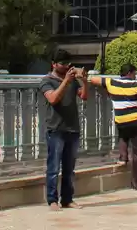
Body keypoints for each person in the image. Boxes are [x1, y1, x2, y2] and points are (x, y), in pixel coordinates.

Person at [89, 63, 137, 190]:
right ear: (129, 73)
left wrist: (107, 89)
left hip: (122, 121)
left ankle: (123, 157)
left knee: (123, 134)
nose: (135, 76)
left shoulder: (111, 82)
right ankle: (136, 184)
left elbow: (93, 79)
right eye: (134, 73)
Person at [39, 49, 88, 210]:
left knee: (69, 168)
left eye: (68, 63)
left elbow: (84, 96)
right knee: (53, 167)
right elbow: (53, 99)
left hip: (73, 128)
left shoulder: (72, 80)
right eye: (63, 63)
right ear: (54, 64)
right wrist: (66, 81)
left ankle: (67, 199)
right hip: (56, 128)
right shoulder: (46, 81)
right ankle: (52, 200)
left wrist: (84, 81)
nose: (67, 66)